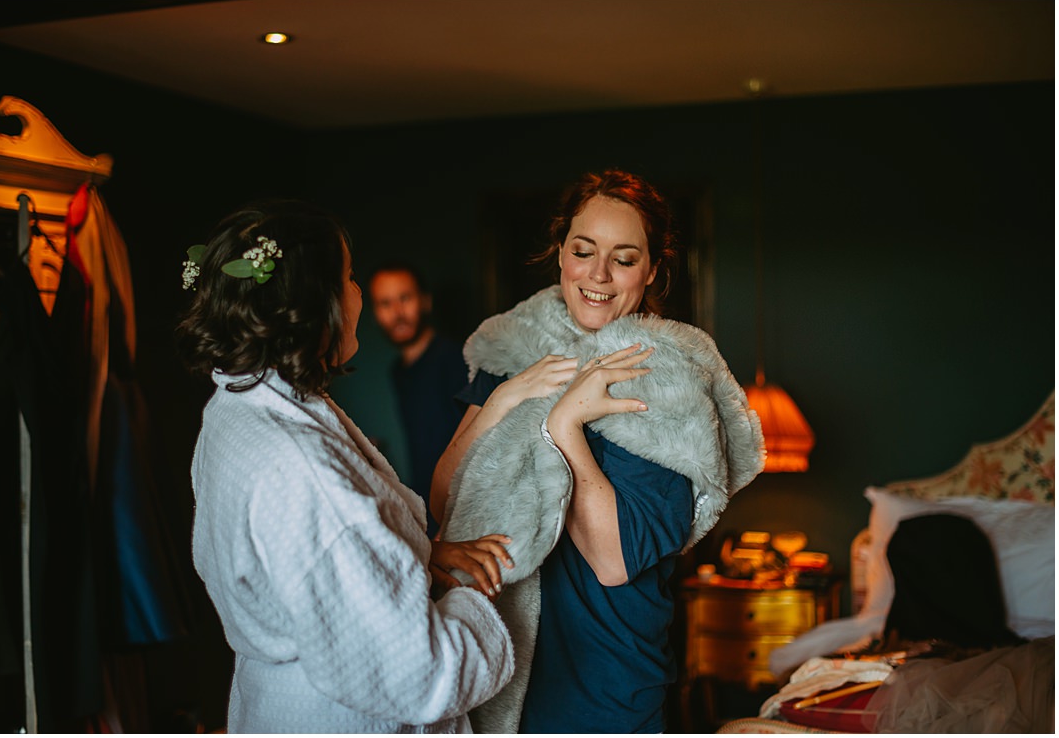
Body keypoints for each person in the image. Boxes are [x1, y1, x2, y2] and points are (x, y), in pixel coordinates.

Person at [430, 170, 766, 733]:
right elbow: (446, 500)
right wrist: (504, 399)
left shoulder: (666, 379)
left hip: (602, 686)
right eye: (583, 251)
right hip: (497, 669)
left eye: (625, 258)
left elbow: (613, 562)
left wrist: (562, 426)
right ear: (560, 252)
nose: (599, 275)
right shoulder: (518, 347)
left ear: (653, 269)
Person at [174, 199, 515, 733]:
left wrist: (418, 556)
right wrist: (481, 600)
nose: (358, 294)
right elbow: (420, 677)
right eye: (351, 277)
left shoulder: (234, 408)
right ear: (317, 303)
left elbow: (306, 570)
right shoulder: (308, 478)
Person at [368, 263, 467, 537]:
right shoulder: (398, 372)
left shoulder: (458, 360)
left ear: (425, 301)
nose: (397, 313)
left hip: (464, 517)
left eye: (405, 298)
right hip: (428, 517)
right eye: (385, 303)